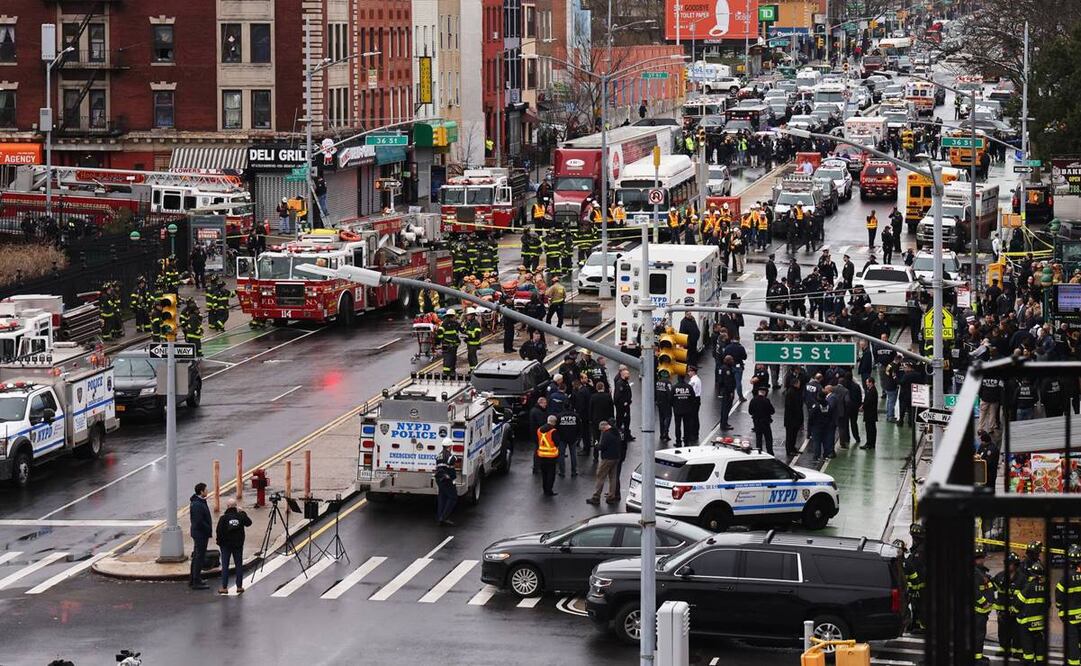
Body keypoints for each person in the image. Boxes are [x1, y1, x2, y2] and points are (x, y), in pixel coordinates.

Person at [1013, 558, 1048, 664]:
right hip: (1040, 622)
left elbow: (1018, 602)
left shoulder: (1029, 586)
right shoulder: (1045, 587)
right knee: (1039, 643)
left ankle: (1028, 661)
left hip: (1027, 622)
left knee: (1027, 645)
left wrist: (1014, 611)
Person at [215, 498, 252, 594]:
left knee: (225, 565)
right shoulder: (240, 516)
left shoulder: (223, 518)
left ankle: (224, 587)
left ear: (227, 507)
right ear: (236, 506)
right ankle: (239, 586)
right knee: (238, 565)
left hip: (226, 545)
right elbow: (249, 523)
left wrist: (220, 543)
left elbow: (218, 531)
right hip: (238, 544)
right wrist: (243, 512)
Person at [994, 551, 1024, 661]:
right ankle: (1004, 649)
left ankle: (1017, 651)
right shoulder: (1000, 576)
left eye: (1010, 563)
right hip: (1003, 611)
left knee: (1017, 632)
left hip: (1017, 612)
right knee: (1003, 631)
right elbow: (991, 588)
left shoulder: (1022, 578)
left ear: (1015, 565)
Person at [1057, 544, 1081, 666]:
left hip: (1070, 616)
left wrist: (1059, 607)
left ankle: (1073, 663)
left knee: (1072, 640)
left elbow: (1059, 596)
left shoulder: (1066, 577)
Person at [587, 421, 621, 505]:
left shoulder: (606, 434)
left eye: (601, 429)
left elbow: (602, 447)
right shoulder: (616, 432)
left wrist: (596, 444)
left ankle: (596, 497)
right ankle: (611, 496)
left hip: (607, 458)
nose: (601, 431)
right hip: (616, 457)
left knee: (600, 475)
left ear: (604, 426)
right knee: (613, 477)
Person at [188, 483, 212, 590]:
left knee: (197, 556)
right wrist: (207, 528)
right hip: (200, 534)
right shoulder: (197, 504)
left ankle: (194, 578)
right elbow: (198, 521)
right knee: (199, 557)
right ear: (201, 491)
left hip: (199, 533)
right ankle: (196, 581)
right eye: (206, 489)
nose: (207, 491)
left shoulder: (199, 501)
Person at [974, 545, 994, 665]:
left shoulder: (980, 571)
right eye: (980, 558)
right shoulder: (975, 573)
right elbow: (975, 591)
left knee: (980, 634)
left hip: (982, 611)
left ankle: (978, 656)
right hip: (978, 611)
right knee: (978, 635)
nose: (982, 560)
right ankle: (977, 659)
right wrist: (985, 603)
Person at [906, 523, 927, 632]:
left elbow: (917, 571)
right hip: (921, 586)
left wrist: (916, 588)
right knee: (918, 606)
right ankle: (917, 624)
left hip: (922, 587)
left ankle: (923, 627)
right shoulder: (920, 549)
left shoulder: (920, 552)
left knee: (921, 607)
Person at [434, 440, 458, 525]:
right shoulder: (450, 456)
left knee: (442, 497)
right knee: (453, 497)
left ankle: (440, 517)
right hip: (446, 480)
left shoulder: (438, 455)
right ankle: (444, 517)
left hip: (439, 479)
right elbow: (453, 460)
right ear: (449, 446)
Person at [589, 380, 614, 460]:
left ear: (596, 388)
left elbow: (590, 409)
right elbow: (611, 409)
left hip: (596, 421)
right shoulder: (608, 396)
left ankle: (595, 455)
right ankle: (605, 454)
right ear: (603, 387)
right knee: (606, 438)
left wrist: (590, 419)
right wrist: (612, 419)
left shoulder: (593, 397)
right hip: (606, 420)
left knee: (596, 438)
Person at [536, 415, 561, 496]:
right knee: (551, 474)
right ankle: (549, 490)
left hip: (541, 455)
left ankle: (544, 489)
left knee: (544, 474)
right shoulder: (553, 431)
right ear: (554, 422)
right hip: (551, 457)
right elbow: (557, 442)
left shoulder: (539, 430)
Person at [748, 387, 775, 455]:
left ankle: (759, 452)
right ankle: (770, 452)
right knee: (768, 438)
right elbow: (772, 411)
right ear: (765, 392)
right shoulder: (766, 400)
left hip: (756, 422)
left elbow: (750, 411)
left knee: (758, 438)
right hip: (765, 422)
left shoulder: (753, 400)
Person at [671, 373, 695, 446]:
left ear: (678, 378)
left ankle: (678, 441)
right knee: (686, 425)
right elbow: (693, 398)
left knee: (677, 426)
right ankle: (686, 441)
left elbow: (670, 399)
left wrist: (674, 405)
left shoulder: (674, 387)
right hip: (687, 410)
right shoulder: (689, 387)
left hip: (677, 410)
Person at [557, 403, 580, 477]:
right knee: (573, 455)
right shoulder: (575, 416)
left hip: (562, 438)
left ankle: (562, 471)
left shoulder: (559, 416)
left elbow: (556, 427)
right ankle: (574, 471)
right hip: (572, 438)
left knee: (561, 455)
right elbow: (579, 427)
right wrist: (578, 436)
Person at [783, 374, 804, 457]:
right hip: (791, 420)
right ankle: (789, 450)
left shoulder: (795, 392)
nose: (799, 384)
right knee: (790, 435)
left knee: (794, 435)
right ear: (795, 384)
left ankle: (793, 448)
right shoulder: (791, 393)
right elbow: (792, 407)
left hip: (795, 419)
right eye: (798, 383)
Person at [437, 308, 461, 375]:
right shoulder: (445, 323)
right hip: (447, 344)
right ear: (452, 316)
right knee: (448, 358)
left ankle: (452, 371)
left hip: (453, 344)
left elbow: (458, 331)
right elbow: (439, 333)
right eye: (454, 316)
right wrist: (443, 341)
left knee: (453, 358)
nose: (455, 318)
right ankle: (446, 372)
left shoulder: (454, 323)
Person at [613, 366, 633, 442]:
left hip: (626, 405)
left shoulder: (625, 382)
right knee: (621, 421)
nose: (629, 375)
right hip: (622, 407)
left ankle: (627, 435)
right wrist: (624, 403)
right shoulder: (620, 383)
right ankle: (620, 436)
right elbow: (618, 396)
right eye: (627, 374)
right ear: (623, 374)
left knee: (627, 420)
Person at [717, 356, 737, 431]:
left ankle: (724, 423)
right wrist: (731, 391)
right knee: (726, 408)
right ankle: (724, 424)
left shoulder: (722, 368)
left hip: (724, 390)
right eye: (731, 360)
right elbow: (728, 382)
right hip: (727, 391)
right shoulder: (727, 370)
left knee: (724, 408)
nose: (733, 361)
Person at [860, 377, 879, 450]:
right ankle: (871, 443)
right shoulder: (871, 390)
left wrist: (863, 407)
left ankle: (869, 443)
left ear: (871, 383)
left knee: (870, 429)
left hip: (870, 413)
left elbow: (869, 401)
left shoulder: (872, 391)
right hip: (871, 413)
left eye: (867, 382)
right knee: (871, 428)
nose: (866, 383)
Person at [655, 369, 673, 442]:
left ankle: (661, 434)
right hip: (666, 403)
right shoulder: (668, 383)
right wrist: (671, 402)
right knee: (668, 417)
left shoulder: (658, 382)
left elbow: (656, 392)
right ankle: (666, 433)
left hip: (659, 403)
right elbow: (669, 393)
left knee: (661, 419)